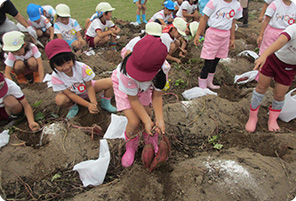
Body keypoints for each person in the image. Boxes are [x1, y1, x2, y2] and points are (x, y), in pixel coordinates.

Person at [111, 35, 167, 167]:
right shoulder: (126, 73)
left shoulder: (163, 70)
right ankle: (131, 146)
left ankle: (150, 139)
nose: (140, 78)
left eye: (144, 76)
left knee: (147, 112)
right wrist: (147, 120)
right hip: (125, 89)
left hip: (144, 89)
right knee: (134, 120)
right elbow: (133, 99)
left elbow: (157, 96)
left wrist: (160, 119)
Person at [45, 39, 117, 119]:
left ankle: (105, 104)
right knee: (60, 100)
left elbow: (89, 86)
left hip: (87, 89)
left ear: (72, 57)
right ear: (52, 64)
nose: (65, 67)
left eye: (68, 62)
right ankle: (73, 107)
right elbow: (70, 94)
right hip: (73, 95)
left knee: (111, 82)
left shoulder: (82, 68)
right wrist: (88, 105)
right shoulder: (56, 77)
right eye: (60, 65)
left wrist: (93, 102)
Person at [246, 23, 296, 132]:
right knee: (261, 88)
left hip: (290, 67)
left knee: (279, 95)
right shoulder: (294, 28)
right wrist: (264, 55)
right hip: (274, 59)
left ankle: (273, 120)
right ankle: (252, 117)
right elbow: (282, 40)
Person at [193, 0, 242, 89]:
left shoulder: (236, 5)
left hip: (225, 35)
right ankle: (202, 84)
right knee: (208, 61)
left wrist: (232, 39)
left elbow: (233, 22)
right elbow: (204, 18)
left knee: (216, 60)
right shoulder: (214, 2)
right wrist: (198, 35)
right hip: (213, 34)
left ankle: (209, 82)